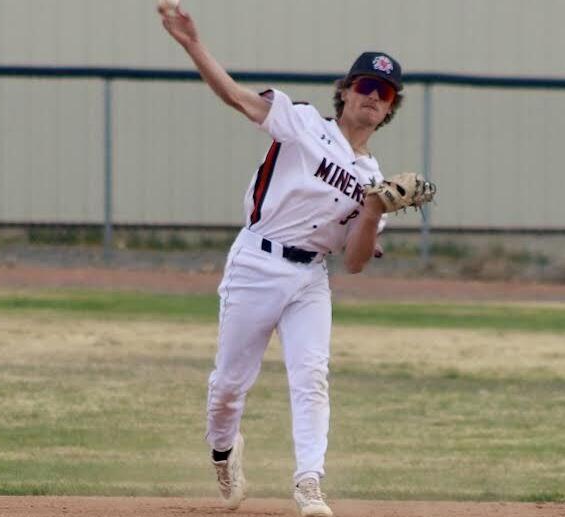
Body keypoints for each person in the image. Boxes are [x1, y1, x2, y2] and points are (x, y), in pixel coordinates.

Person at [159, 5, 405, 517]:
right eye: (364, 86)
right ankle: (223, 452)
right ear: (346, 90)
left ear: (389, 109)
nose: (371, 98)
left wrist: (373, 211)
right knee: (229, 387)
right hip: (257, 262)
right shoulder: (303, 121)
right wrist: (191, 43)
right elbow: (234, 96)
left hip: (310, 278)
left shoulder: (375, 179)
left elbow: (355, 262)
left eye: (382, 94)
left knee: (311, 376)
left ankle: (309, 483)